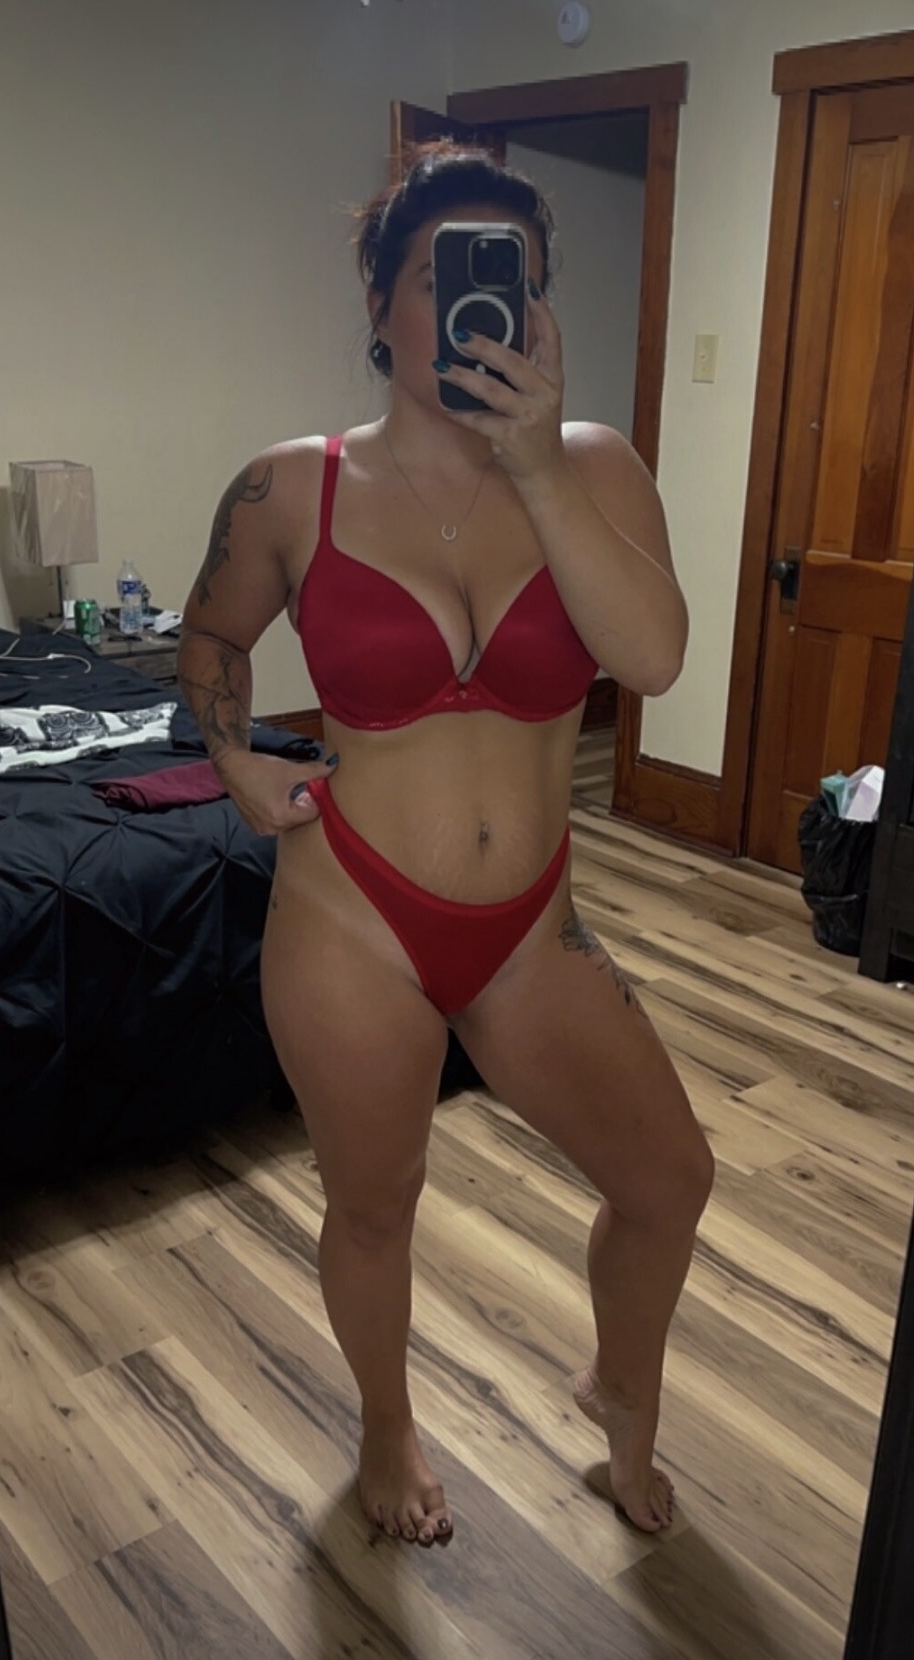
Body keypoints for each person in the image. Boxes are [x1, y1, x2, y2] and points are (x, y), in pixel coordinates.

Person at [177, 142, 714, 1551]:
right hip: (351, 916)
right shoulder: (289, 487)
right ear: (380, 300)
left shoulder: (592, 466)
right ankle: (385, 1425)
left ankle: (621, 1389)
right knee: (376, 1207)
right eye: (443, 275)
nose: (482, 305)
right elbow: (211, 634)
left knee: (668, 1180)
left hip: (532, 927)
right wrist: (235, 758)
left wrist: (536, 465)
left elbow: (653, 660)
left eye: (511, 278)